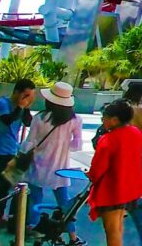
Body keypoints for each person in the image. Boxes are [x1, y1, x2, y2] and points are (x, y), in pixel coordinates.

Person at [22, 82, 83, 245]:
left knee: (35, 200)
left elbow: (29, 143)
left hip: (38, 167)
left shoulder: (39, 118)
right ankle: (73, 237)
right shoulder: (75, 120)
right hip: (60, 169)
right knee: (65, 204)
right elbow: (77, 146)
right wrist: (62, 145)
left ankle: (34, 231)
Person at [88, 100, 142, 246]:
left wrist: (91, 175)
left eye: (104, 118)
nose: (103, 121)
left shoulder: (108, 139)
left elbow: (98, 167)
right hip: (129, 186)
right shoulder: (135, 132)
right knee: (118, 225)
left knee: (111, 229)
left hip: (112, 190)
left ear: (114, 120)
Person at [0, 79, 34, 225]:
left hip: (11, 151)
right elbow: (7, 120)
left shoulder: (22, 107)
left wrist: (25, 107)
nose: (27, 99)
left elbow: (28, 122)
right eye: (25, 95)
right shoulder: (2, 103)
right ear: (17, 92)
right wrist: (20, 106)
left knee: (5, 186)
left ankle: (0, 217)